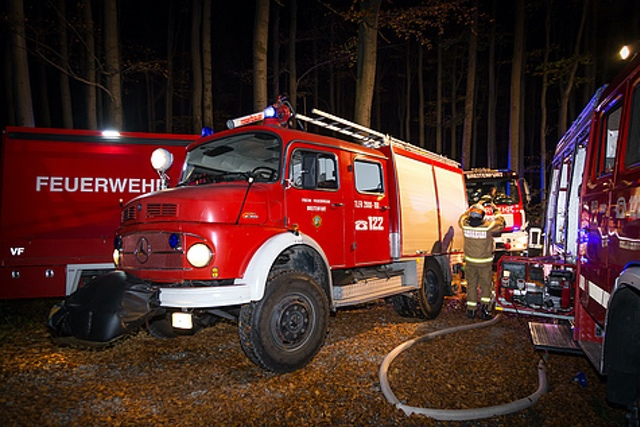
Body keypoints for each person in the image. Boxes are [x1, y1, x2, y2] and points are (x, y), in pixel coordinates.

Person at [459, 202, 505, 319]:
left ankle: (471, 310)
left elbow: (462, 217)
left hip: (470, 263)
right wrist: (495, 209)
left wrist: (476, 205)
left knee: (471, 286)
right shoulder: (488, 226)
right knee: (486, 287)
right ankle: (485, 311)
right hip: (484, 263)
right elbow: (501, 222)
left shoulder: (464, 225)